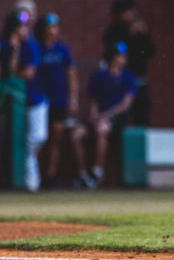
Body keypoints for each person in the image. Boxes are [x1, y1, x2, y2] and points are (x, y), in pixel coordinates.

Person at [35, 13, 95, 190]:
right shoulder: (36, 48)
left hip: (59, 101)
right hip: (40, 101)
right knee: (39, 139)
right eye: (50, 27)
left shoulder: (62, 49)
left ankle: (50, 176)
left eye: (55, 27)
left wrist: (73, 98)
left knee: (56, 138)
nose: (53, 31)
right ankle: (35, 176)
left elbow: (71, 74)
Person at [0, 10, 48, 192]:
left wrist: (13, 72)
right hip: (10, 103)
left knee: (38, 137)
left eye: (26, 26)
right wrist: (14, 50)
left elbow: (28, 74)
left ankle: (28, 171)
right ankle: (26, 180)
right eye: (21, 26)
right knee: (14, 140)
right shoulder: (5, 46)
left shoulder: (31, 45)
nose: (24, 30)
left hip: (34, 98)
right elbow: (8, 72)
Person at [88, 41, 136, 185]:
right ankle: (84, 174)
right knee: (77, 134)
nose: (123, 58)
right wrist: (93, 115)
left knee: (102, 128)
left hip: (118, 118)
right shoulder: (99, 76)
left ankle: (98, 171)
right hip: (100, 117)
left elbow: (125, 105)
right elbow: (93, 102)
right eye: (120, 56)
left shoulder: (128, 76)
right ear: (112, 58)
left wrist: (105, 115)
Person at [103, 0, 155, 125]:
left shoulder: (139, 30)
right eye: (128, 12)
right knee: (122, 117)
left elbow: (151, 51)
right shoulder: (113, 31)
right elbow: (113, 52)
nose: (131, 15)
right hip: (121, 80)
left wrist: (143, 34)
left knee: (142, 114)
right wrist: (129, 35)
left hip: (139, 79)